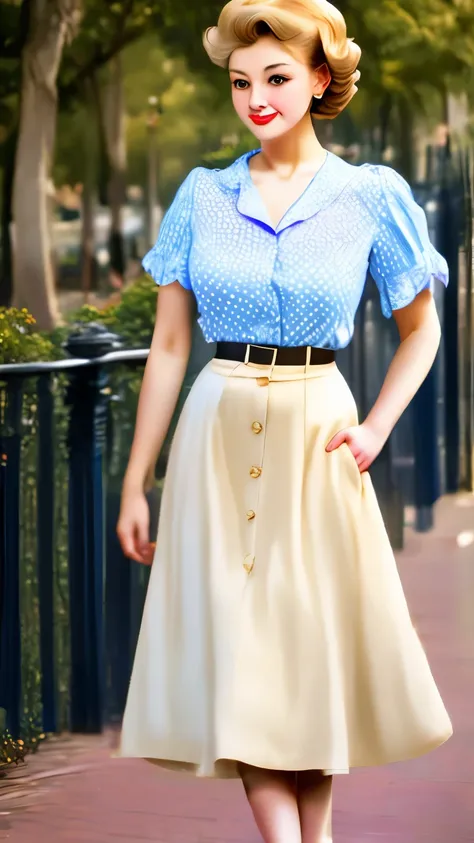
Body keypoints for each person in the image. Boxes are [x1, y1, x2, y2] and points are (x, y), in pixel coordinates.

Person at [116, 1, 453, 840]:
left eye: (275, 77)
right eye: (240, 81)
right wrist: (136, 479)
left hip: (321, 438)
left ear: (319, 79)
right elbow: (167, 346)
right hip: (217, 433)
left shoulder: (372, 197)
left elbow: (423, 331)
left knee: (304, 658)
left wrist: (375, 427)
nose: (256, 97)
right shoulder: (201, 195)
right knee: (245, 656)